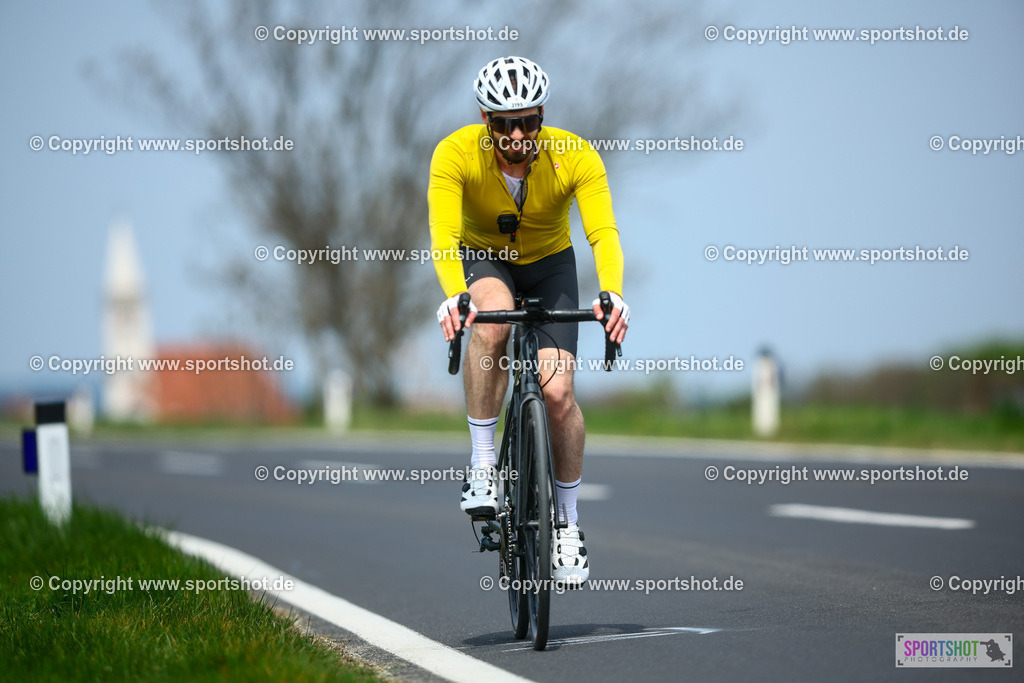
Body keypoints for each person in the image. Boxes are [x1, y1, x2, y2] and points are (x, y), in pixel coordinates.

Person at [429, 56, 629, 586]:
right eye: (502, 123)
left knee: (559, 393)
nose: (516, 135)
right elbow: (444, 238)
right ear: (484, 119)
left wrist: (612, 292)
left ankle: (566, 524)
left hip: (551, 266)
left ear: (542, 115)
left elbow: (603, 233)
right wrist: (456, 297)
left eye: (528, 121)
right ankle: (482, 462)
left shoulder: (576, 156)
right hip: (486, 258)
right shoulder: (454, 154)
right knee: (490, 324)